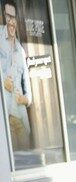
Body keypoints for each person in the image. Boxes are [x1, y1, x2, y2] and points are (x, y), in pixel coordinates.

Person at [0, 2, 29, 148]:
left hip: (20, 116)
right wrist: (1, 83)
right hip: (5, 116)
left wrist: (26, 99)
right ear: (3, 17)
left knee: (27, 159)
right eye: (8, 16)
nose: (11, 21)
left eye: (14, 17)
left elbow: (27, 88)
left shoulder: (20, 50)